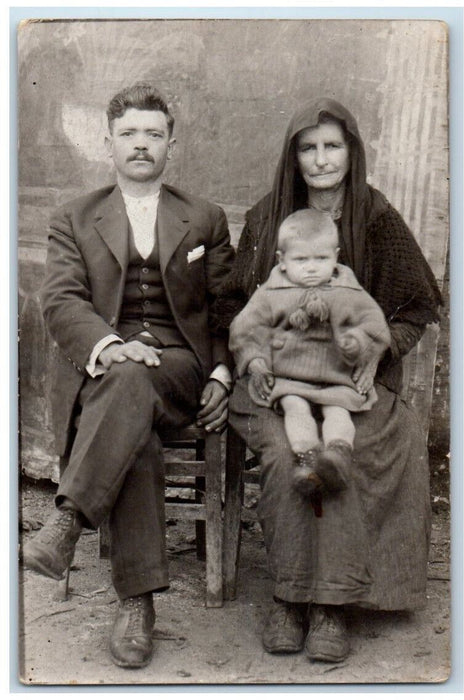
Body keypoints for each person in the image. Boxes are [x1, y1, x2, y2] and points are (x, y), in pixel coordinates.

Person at [215, 98, 442, 663]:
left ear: (352, 152)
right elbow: (235, 308)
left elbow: (414, 310)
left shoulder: (377, 217)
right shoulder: (271, 217)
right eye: (308, 147)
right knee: (286, 451)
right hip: (276, 381)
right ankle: (291, 596)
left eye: (332, 146)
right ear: (293, 156)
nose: (321, 160)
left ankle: (331, 605)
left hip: (350, 378)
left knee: (363, 446)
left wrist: (374, 353)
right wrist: (253, 363)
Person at [22, 82, 234, 669]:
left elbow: (226, 306)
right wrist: (109, 346)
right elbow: (62, 300)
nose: (141, 145)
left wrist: (222, 371)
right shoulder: (74, 217)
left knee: (136, 384)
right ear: (107, 143)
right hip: (111, 370)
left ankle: (66, 524)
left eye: (153, 134)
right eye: (128, 134)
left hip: (181, 368)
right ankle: (137, 607)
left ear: (172, 144)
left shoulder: (206, 217)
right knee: (128, 399)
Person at [229, 208, 390, 496]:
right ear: (282, 261)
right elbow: (244, 329)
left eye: (321, 259)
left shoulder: (348, 289)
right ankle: (308, 457)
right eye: (301, 260)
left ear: (336, 257)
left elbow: (375, 325)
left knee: (338, 411)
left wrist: (361, 343)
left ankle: (337, 455)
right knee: (295, 406)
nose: (312, 268)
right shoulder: (271, 291)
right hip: (289, 376)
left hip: (337, 375)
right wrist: (254, 361)